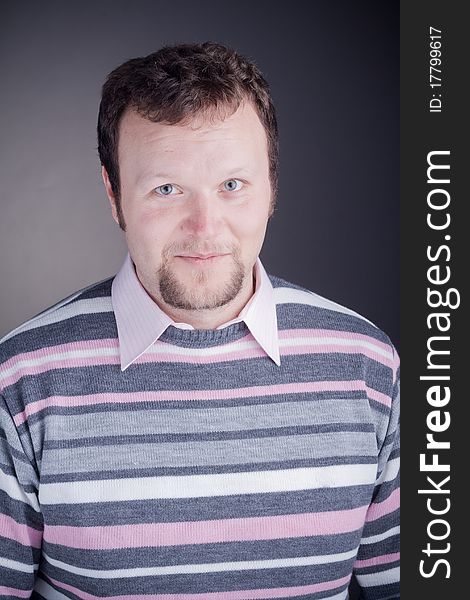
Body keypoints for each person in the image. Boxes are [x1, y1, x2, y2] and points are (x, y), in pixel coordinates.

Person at [0, 42, 399, 599]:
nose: (204, 227)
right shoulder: (18, 380)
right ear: (114, 196)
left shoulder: (369, 366)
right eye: (167, 189)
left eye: (232, 186)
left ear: (272, 189)